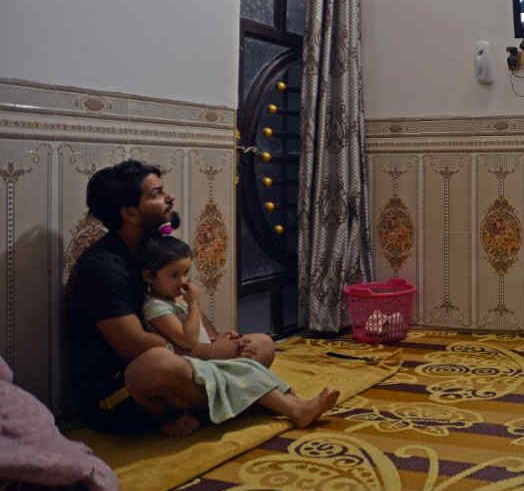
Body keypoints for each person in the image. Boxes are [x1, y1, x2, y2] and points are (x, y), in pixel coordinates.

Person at [66, 159, 329, 435]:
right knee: (158, 364)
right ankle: (244, 400)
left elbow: (181, 304)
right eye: (156, 194)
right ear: (130, 213)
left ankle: (213, 404)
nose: (170, 198)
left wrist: (216, 342)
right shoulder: (103, 268)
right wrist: (208, 354)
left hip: (185, 359)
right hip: (122, 391)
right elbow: (134, 346)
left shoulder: (153, 251)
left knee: (261, 344)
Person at [138, 234, 339, 428]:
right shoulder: (156, 308)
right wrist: (193, 305)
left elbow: (203, 332)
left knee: (248, 362)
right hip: (192, 367)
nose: (183, 281)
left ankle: (290, 400)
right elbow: (188, 341)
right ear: (149, 276)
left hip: (204, 357)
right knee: (242, 371)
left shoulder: (175, 300)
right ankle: (295, 410)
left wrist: (222, 339)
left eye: (185, 273)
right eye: (174, 275)